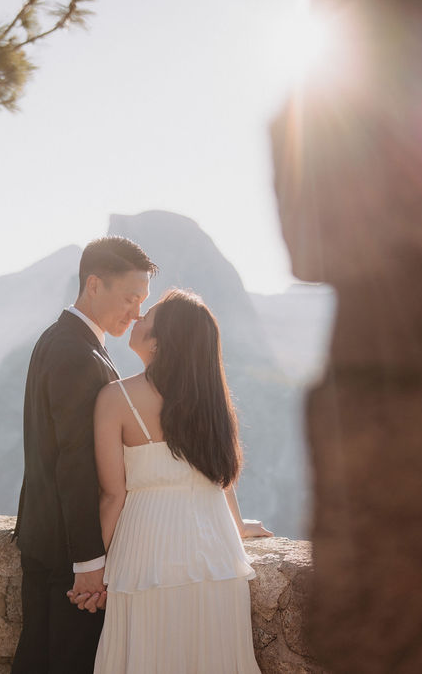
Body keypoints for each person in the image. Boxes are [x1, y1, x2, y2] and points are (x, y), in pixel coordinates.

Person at [89, 288, 269, 674]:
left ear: (159, 339)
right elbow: (219, 474)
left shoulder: (115, 398)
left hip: (147, 549)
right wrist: (237, 527)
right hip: (216, 549)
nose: (137, 318)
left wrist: (95, 568)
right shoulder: (211, 399)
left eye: (148, 315)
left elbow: (112, 495)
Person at [12, 236, 159, 674]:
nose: (136, 313)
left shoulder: (58, 339)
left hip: (44, 535)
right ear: (94, 285)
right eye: (131, 298)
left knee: (37, 659)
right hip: (68, 553)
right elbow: (75, 463)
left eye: (143, 301)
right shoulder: (78, 353)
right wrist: (89, 564)